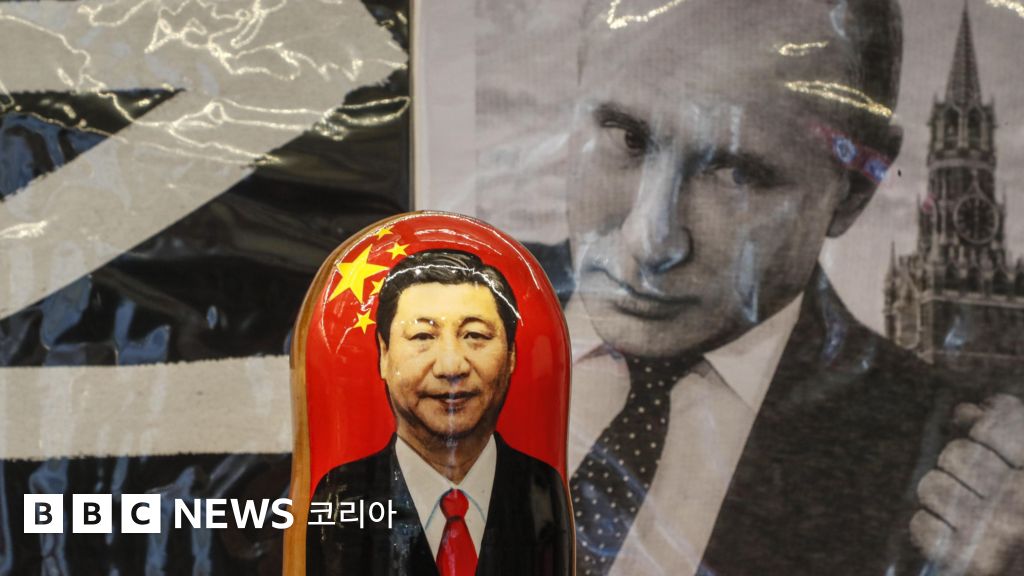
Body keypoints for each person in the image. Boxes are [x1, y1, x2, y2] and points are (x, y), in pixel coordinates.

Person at [522, 0, 1024, 575]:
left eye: (737, 173)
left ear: (857, 187)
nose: (651, 241)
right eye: (629, 137)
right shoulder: (442, 299)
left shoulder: (951, 475)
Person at [305, 249, 571, 576]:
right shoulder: (342, 495)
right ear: (384, 354)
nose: (451, 366)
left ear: (511, 355)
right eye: (423, 336)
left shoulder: (541, 487)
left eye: (475, 335)